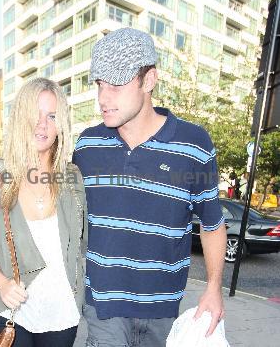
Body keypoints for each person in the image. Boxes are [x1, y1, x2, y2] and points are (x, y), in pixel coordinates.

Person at [73, 28, 227, 347]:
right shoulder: (87, 145)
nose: (103, 98)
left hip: (163, 309)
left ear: (149, 80)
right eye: (99, 84)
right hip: (103, 307)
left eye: (115, 85)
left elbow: (212, 224)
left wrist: (213, 288)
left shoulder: (194, 145)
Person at [0, 78, 87, 347]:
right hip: (13, 312)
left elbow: (83, 242)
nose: (42, 124)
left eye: (51, 116)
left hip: (62, 314)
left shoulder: (72, 179)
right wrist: (2, 284)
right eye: (34, 114)